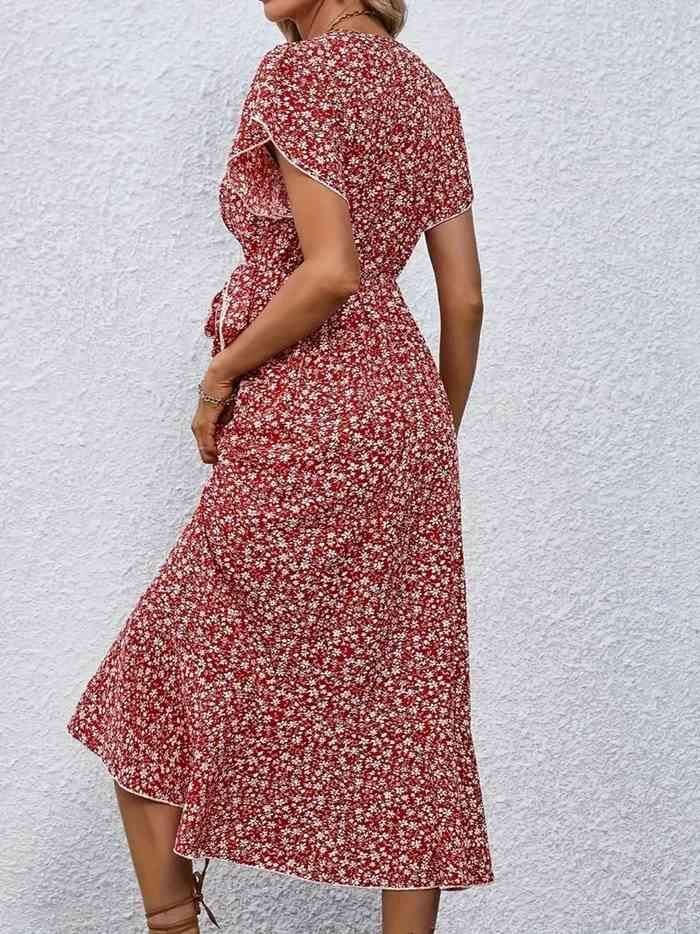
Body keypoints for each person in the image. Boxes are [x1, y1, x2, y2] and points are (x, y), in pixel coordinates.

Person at [66, 2, 495, 931]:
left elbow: (331, 270)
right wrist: (428, 438)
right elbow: (464, 301)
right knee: (407, 704)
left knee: (151, 678)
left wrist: (219, 376)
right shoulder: (429, 94)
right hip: (407, 411)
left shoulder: (299, 73)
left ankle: (174, 922)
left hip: (305, 403)